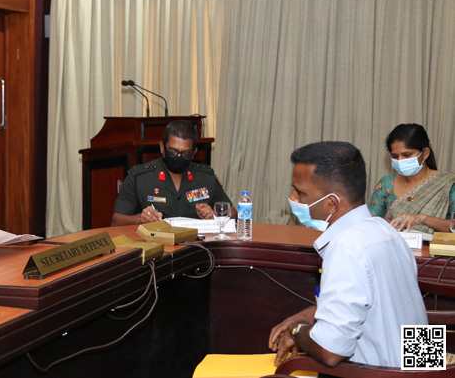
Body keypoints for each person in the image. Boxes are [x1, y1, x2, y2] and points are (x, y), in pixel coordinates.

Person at [269, 141, 427, 368]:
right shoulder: (386, 232)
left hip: (383, 375)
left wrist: (297, 331)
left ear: (332, 203)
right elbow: (375, 302)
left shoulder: (347, 247)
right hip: (421, 369)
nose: (293, 198)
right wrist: (311, 314)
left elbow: (331, 351)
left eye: (301, 192)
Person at [111, 120, 234, 226]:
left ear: (194, 152)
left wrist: (215, 216)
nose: (178, 157)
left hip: (197, 248)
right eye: (173, 151)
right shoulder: (139, 177)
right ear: (162, 147)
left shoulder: (206, 177)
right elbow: (116, 221)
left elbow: (233, 213)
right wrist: (140, 218)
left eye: (185, 153)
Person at [368, 123, 455, 235]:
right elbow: (370, 225)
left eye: (407, 155)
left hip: (434, 251)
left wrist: (422, 219)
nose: (400, 160)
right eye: (395, 156)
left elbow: (453, 226)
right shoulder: (386, 184)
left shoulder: (447, 184)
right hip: (394, 250)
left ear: (425, 153)